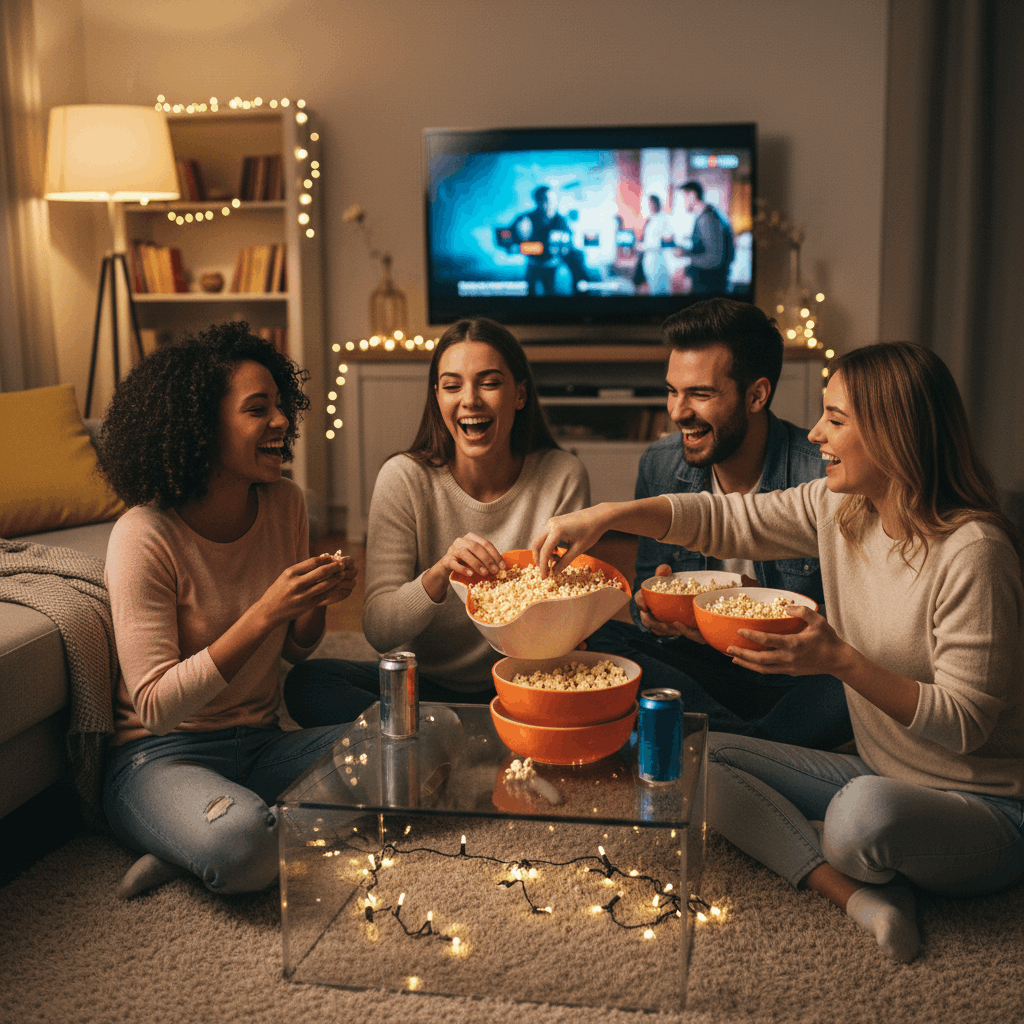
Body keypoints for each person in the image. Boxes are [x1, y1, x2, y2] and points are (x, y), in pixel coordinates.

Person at [532, 341, 1024, 963]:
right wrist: (609, 516)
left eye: (836, 420)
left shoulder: (973, 553)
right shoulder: (841, 508)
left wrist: (839, 659)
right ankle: (857, 895)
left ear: (896, 434)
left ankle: (829, 840)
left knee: (858, 820)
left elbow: (966, 723)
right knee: (688, 753)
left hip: (986, 806)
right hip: (879, 772)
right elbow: (723, 519)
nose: (817, 432)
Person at [98, 322, 369, 899]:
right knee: (241, 850)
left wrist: (312, 601)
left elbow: (296, 648)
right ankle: (221, 832)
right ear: (202, 427)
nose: (281, 423)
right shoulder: (142, 536)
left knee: (419, 738)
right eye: (257, 409)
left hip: (263, 744)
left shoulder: (286, 503)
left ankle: (197, 838)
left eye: (280, 406)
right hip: (160, 759)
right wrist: (264, 613)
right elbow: (155, 708)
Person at [282, 317, 590, 724]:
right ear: (436, 398)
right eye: (452, 385)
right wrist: (439, 575)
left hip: (527, 683)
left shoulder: (562, 476)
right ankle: (450, 731)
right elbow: (378, 630)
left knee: (629, 673)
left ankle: (440, 737)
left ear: (519, 395)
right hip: (422, 690)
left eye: (490, 382)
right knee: (308, 683)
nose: (470, 400)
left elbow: (567, 624)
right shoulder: (404, 478)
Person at [586, 298, 851, 749]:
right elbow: (646, 587)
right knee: (594, 637)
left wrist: (766, 614)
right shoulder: (662, 465)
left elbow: (853, 629)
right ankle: (756, 747)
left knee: (851, 690)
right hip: (702, 664)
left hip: (796, 676)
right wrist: (653, 614)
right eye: (673, 391)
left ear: (756, 395)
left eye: (700, 394)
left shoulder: (821, 475)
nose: (677, 411)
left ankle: (718, 743)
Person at [679, 180, 735, 294]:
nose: (682, 202)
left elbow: (714, 259)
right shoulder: (707, 216)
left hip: (710, 288)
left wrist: (687, 260)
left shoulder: (707, 219)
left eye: (683, 197)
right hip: (709, 285)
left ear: (692, 195)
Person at [638, 194, 673, 295]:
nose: (649, 206)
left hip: (657, 261)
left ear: (655, 204)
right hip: (649, 260)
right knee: (654, 289)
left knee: (660, 290)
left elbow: (657, 243)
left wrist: (642, 247)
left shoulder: (662, 218)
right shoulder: (651, 219)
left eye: (650, 203)